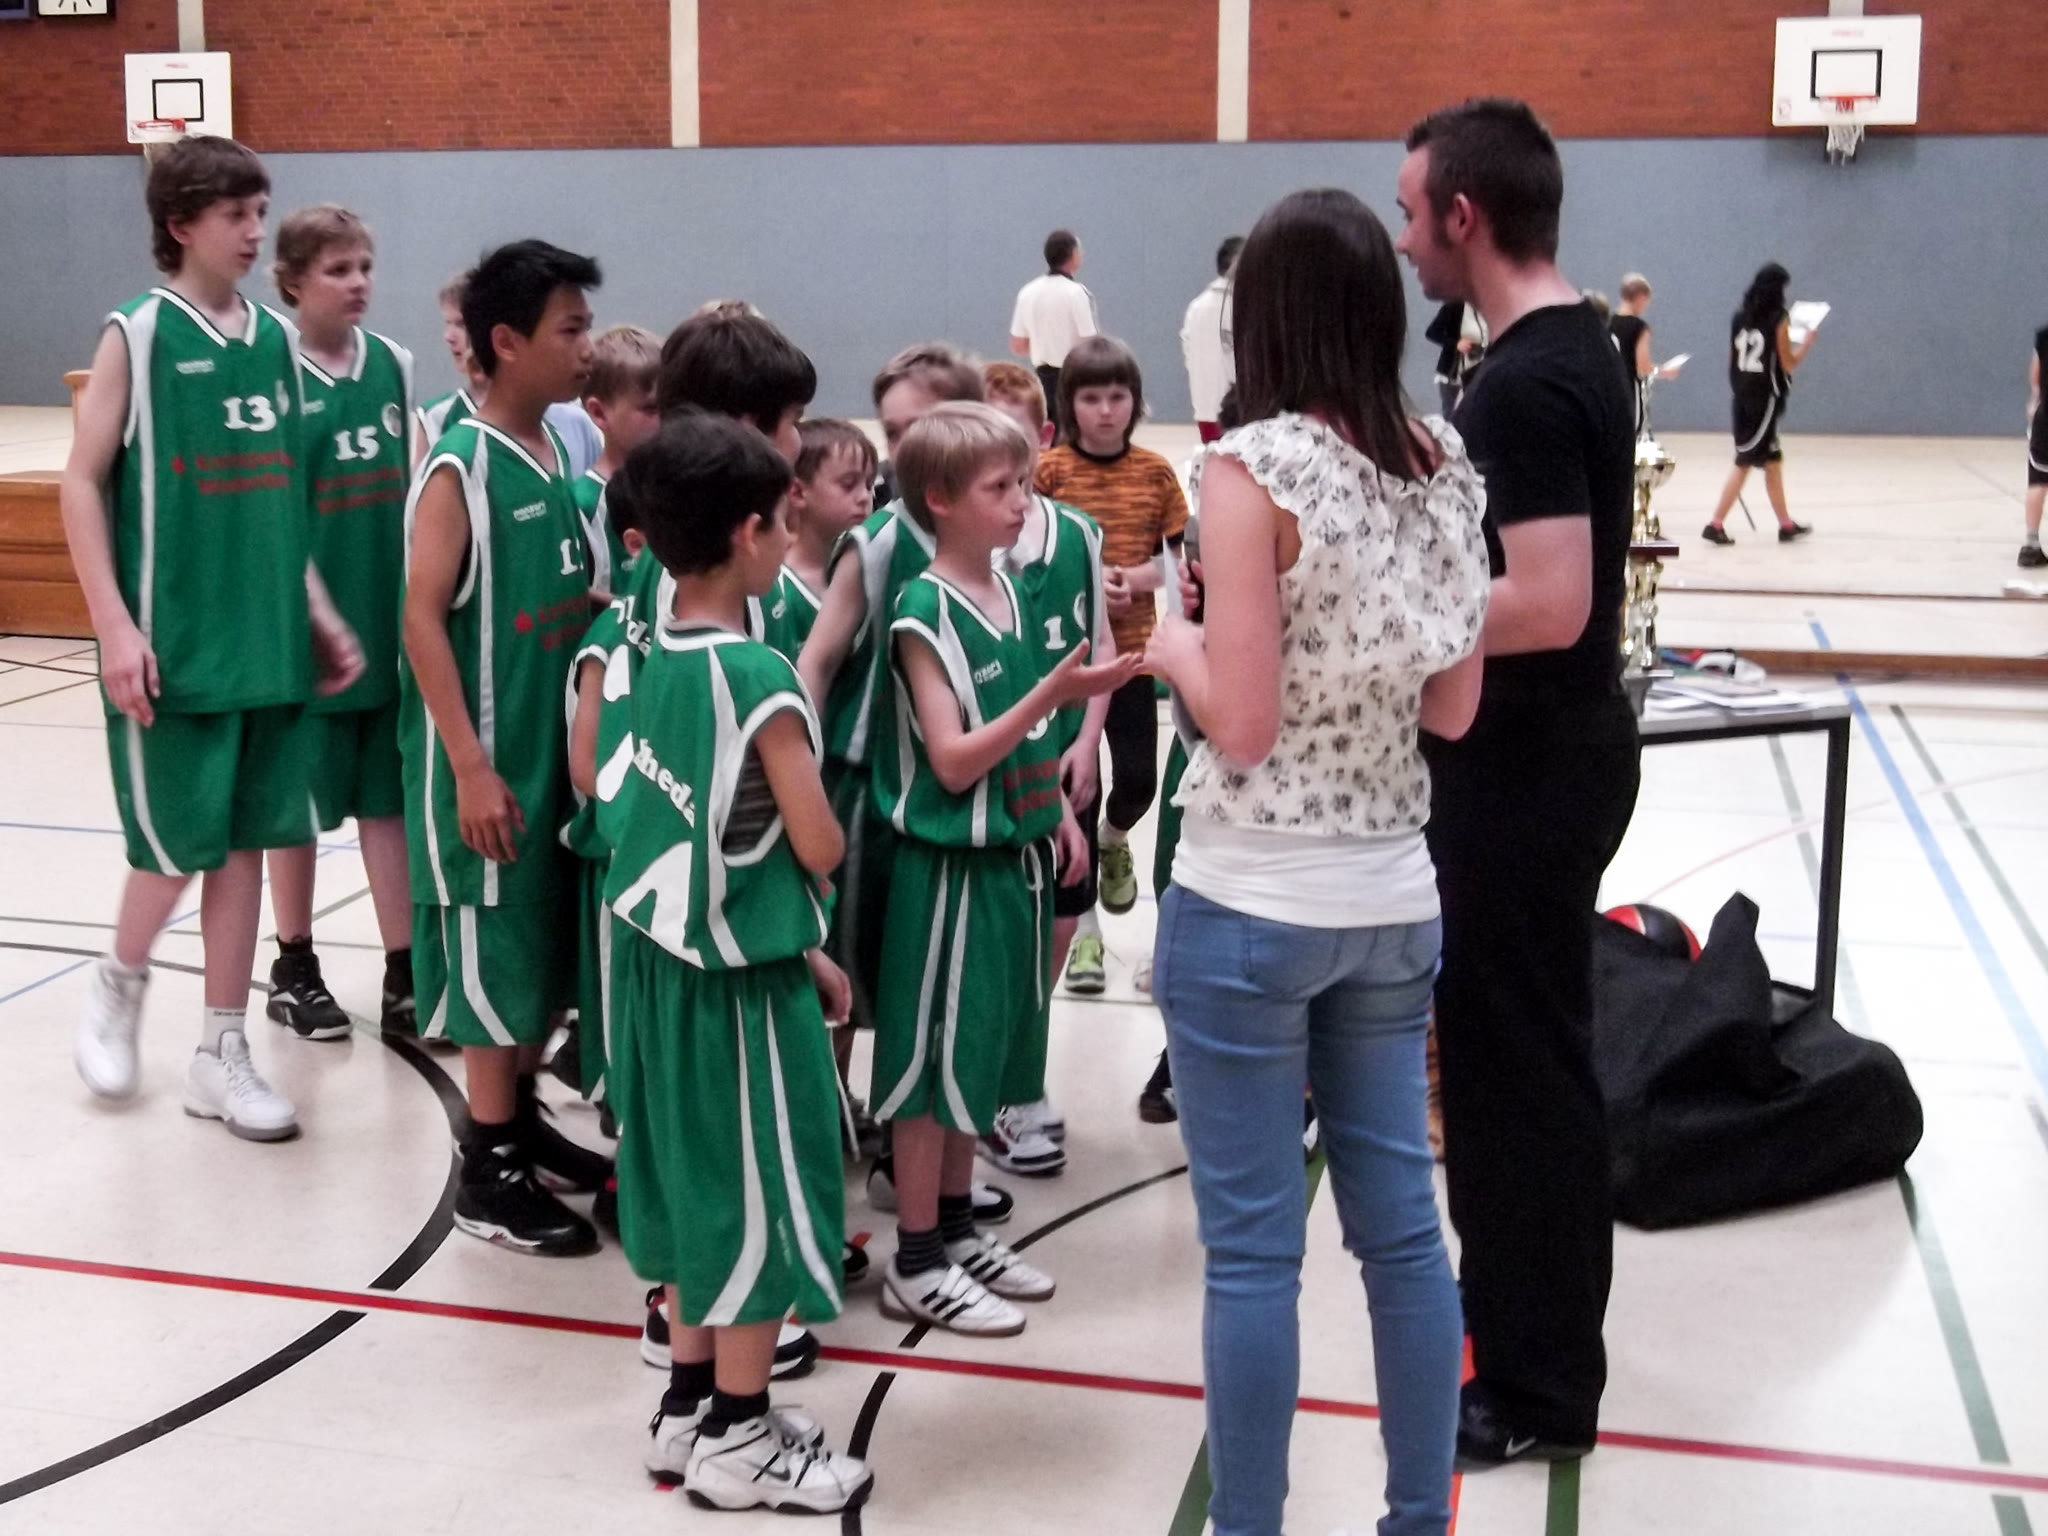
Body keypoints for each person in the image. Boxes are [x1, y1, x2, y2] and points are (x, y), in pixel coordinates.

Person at [1147, 186, 1488, 1536]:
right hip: (1393, 893)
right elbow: (1453, 708)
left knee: (1251, 1258)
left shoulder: (1251, 469)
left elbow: (1238, 726)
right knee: (1402, 1235)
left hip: (1251, 896)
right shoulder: (1441, 462)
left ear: (1261, 318)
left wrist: (1173, 646)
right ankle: (1417, 1518)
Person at [1395, 97, 1642, 1468]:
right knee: (1519, 1069)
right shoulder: (1566, 345)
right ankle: (1535, 1348)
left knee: (1515, 1083)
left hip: (1528, 774)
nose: (1403, 239)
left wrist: (1384, 606)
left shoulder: (1528, 382)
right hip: (1546, 762)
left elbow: (1547, 600)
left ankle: (1537, 1389)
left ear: (1463, 215)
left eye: (1409, 210)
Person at [591, 412, 872, 1512]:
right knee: (759, 1196)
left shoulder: (645, 645)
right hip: (733, 989)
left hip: (656, 969)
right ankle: (744, 1438)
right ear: (752, 533)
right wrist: (802, 917)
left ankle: (690, 1404)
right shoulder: (758, 674)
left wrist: (796, 948)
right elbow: (817, 842)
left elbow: (683, 824)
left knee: (688, 1187)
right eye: (783, 519)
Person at [62, 137, 364, 1140]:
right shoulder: (139, 334)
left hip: (266, 641)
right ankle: (119, 981)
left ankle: (219, 1051)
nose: (253, 230)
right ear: (181, 222)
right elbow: (80, 483)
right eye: (235, 213)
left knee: (245, 849)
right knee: (175, 849)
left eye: (260, 210)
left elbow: (281, 497)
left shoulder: (275, 341)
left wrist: (316, 610)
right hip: (177, 643)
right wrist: (113, 625)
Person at [870, 402, 1138, 1337]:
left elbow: (1026, 740)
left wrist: (1054, 811)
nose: (1024, 501)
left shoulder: (1012, 594)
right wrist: (1051, 696)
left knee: (979, 1058)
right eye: (1001, 487)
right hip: (946, 874)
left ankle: (953, 1228)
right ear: (941, 500)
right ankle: (914, 1258)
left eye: (1023, 482)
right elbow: (951, 761)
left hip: (1014, 859)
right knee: (931, 1071)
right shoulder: (922, 612)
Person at [401, 239, 611, 1255]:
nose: (586, 346)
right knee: (493, 966)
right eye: (570, 329)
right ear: (506, 341)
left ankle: (518, 1123)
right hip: (486, 764)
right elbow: (419, 618)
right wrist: (469, 766)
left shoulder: (556, 453)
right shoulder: (460, 465)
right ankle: (487, 1174)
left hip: (546, 754)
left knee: (536, 957)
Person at [799, 347, 1027, 1211]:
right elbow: (817, 662)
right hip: (867, 789)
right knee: (847, 975)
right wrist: (798, 775)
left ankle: (912, 1163)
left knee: (924, 994)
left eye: (914, 429)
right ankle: (824, 1136)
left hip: (953, 803)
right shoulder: (880, 541)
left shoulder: (999, 545)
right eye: (891, 433)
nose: (898, 451)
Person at [261, 205, 417, 1045]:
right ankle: (294, 965)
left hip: (387, 631)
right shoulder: (272, 373)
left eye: (365, 267)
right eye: (337, 269)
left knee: (388, 807)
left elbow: (416, 493)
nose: (358, 283)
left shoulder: (392, 364)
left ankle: (404, 970)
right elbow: (269, 514)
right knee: (296, 813)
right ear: (291, 281)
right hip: (308, 643)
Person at [982, 360, 1112, 1153]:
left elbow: (1101, 643)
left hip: (1068, 761)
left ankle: (1016, 1068)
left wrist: (1090, 741)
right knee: (1006, 931)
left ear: (1044, 437)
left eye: (1015, 432)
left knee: (1061, 923)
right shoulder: (975, 548)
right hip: (1005, 766)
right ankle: (1001, 1084)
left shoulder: (1079, 534)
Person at [1034, 336, 1189, 971]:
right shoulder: (1050, 472)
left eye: (1118, 396)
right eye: (1091, 397)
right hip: (1065, 667)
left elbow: (1181, 561)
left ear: (1135, 401)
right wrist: (1087, 578)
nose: (1105, 410)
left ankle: (1115, 837)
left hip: (1133, 660)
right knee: (1078, 788)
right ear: (1069, 404)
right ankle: (1086, 930)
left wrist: (1139, 578)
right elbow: (1029, 552)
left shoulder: (1155, 472)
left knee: (1138, 783)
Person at [416, 271, 603, 478]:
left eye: (461, 324)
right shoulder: (436, 417)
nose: (448, 336)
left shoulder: (574, 421)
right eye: (447, 323)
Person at [1703, 262, 1815, 545]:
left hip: (1742, 395)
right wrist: (1806, 344)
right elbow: (1787, 363)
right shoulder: (1779, 318)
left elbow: (1732, 360)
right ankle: (1715, 523)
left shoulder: (1739, 318)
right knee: (1744, 461)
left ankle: (1785, 525)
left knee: (1773, 461)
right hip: (1764, 398)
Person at [760, 417, 876, 664]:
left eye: (869, 485)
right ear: (798, 492)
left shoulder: (875, 572)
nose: (864, 497)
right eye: (848, 485)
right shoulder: (776, 588)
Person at [571, 324, 661, 595]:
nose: (666, 418)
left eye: (671, 404)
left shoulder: (679, 490)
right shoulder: (581, 505)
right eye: (651, 408)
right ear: (599, 413)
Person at [1009, 229, 1098, 431]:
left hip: (1042, 382)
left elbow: (1018, 345)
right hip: (1073, 379)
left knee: (1047, 436)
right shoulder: (1076, 293)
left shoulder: (1027, 292)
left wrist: (1044, 342)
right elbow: (1090, 343)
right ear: (1073, 255)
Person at [1181, 236, 1241, 443]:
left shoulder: (1196, 306)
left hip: (1205, 404)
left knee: (1212, 457)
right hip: (1239, 409)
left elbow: (1187, 350)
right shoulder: (1246, 306)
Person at [1609, 273, 1680, 438]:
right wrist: (1664, 371)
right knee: (1632, 436)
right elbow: (1643, 367)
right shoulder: (1639, 327)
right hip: (1629, 390)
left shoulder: (1606, 322)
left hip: (1609, 389)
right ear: (1641, 297)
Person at [2019, 322, 2045, 568]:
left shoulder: (2045, 335)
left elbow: (2036, 374)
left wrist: (2035, 398)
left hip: (2045, 418)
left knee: (2038, 480)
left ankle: (2031, 545)